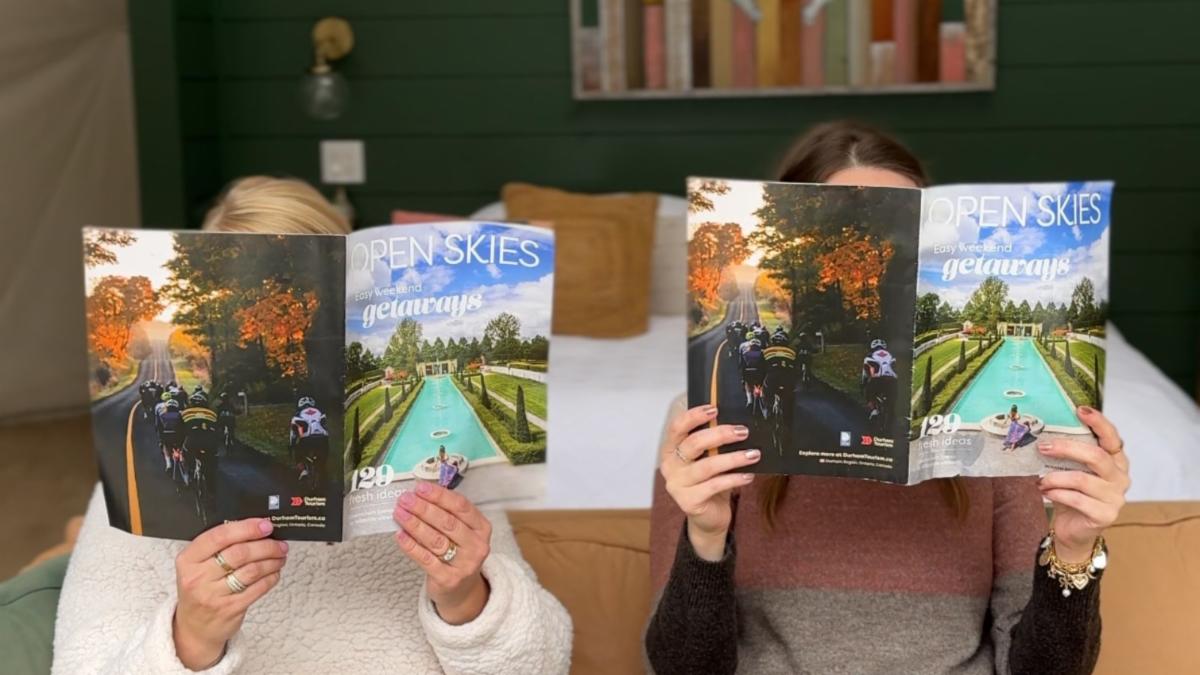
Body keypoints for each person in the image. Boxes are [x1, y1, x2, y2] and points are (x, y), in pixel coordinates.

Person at [645, 122, 1130, 675]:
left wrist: (1073, 551)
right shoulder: (704, 425)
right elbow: (678, 668)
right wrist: (705, 537)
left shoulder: (993, 438)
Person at [54, 176, 572, 674]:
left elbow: (541, 664)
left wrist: (467, 599)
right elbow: (84, 661)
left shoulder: (446, 469)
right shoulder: (130, 503)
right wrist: (190, 637)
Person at [182, 391, 221, 499]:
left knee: (185, 453)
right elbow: (218, 430)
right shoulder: (212, 414)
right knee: (211, 469)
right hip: (210, 443)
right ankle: (212, 492)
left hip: (193, 442)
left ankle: (189, 475)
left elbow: (179, 429)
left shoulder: (186, 413)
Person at [289, 395, 329, 486]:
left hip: (307, 439)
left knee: (298, 455)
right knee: (323, 458)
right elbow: (325, 425)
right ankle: (323, 471)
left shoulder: (298, 415)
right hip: (323, 438)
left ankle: (303, 471)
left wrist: (292, 445)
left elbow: (293, 434)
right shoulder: (320, 412)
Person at [862, 337, 898, 424]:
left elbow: (865, 373)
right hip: (892, 380)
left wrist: (863, 383)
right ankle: (892, 412)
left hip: (877, 379)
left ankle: (874, 410)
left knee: (869, 393)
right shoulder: (891, 355)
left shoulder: (869, 356)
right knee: (892, 398)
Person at [737, 338, 766, 410]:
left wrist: (743, 377)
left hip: (748, 372)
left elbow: (742, 365)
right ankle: (762, 398)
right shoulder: (763, 353)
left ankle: (749, 400)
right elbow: (766, 365)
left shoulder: (746, 353)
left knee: (747, 384)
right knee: (762, 384)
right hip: (759, 373)